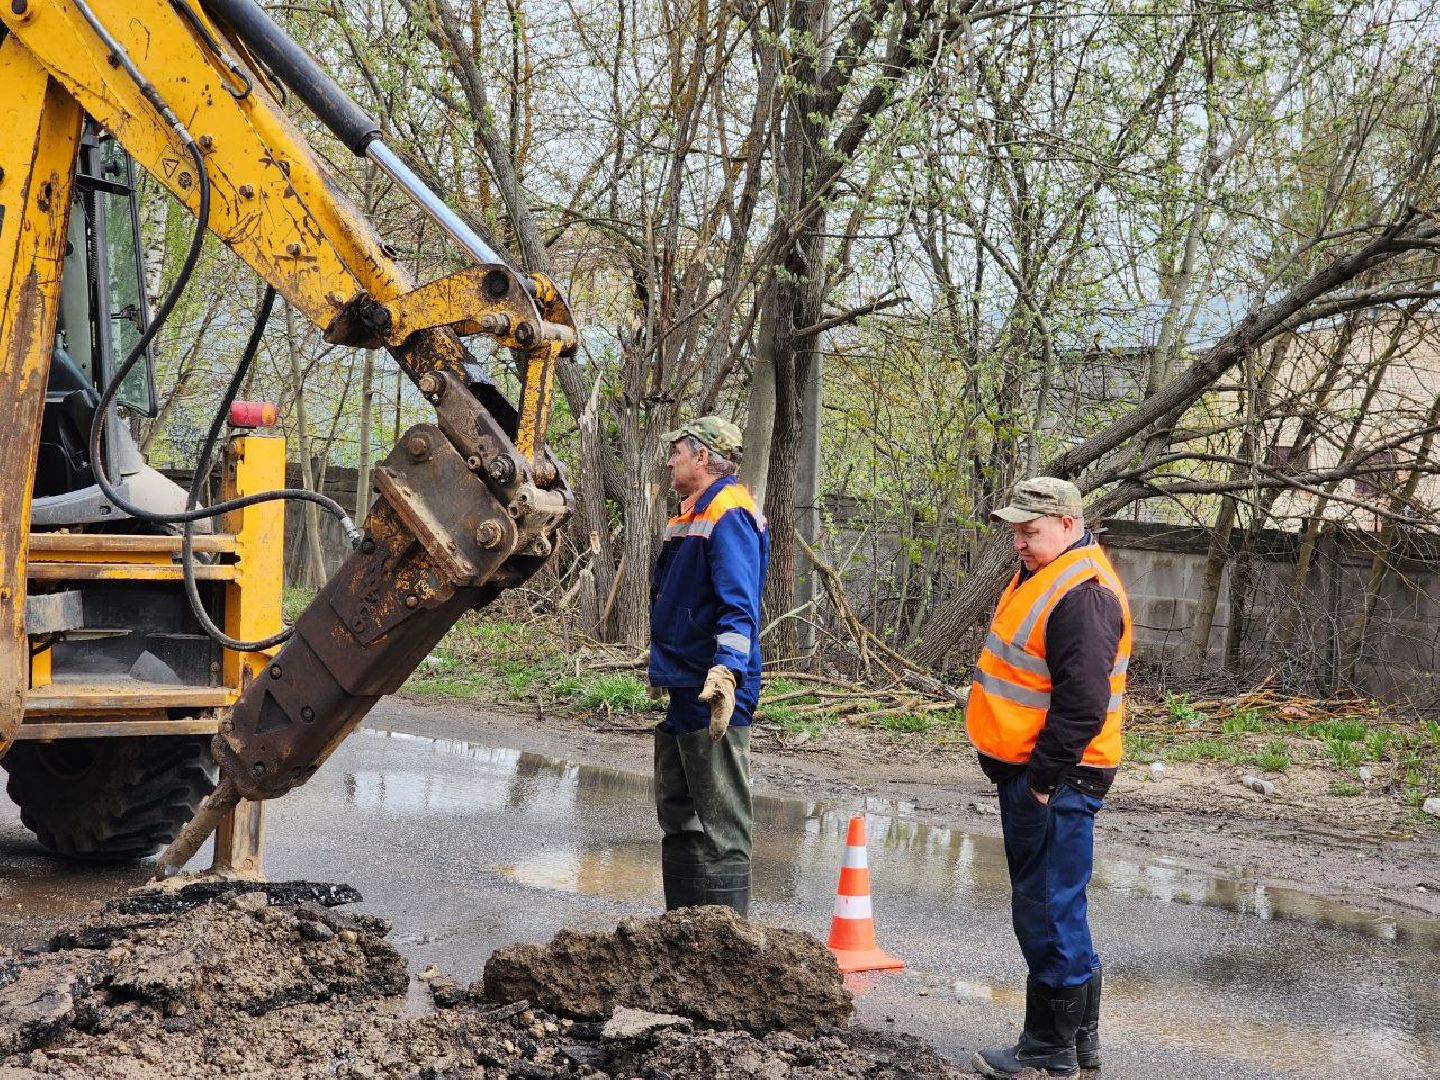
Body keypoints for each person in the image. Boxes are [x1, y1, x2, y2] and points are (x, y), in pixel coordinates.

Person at [968, 477, 1131, 1079]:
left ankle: (1047, 1048)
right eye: (1014, 530)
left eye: (1029, 531)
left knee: (1045, 911)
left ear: (1066, 523)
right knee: (1058, 905)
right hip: (1048, 774)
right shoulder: (1049, 574)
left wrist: (1039, 780)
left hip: (1057, 778)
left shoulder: (1083, 595)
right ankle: (1078, 1040)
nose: (1018, 542)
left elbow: (1083, 705)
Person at [648, 416, 769, 917]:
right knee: (680, 812)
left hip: (710, 686)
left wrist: (727, 672)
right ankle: (683, 932)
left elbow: (739, 604)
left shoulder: (728, 512)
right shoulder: (690, 513)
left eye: (678, 451)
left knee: (721, 818)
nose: (670, 460)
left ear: (703, 457)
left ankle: (725, 945)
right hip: (683, 680)